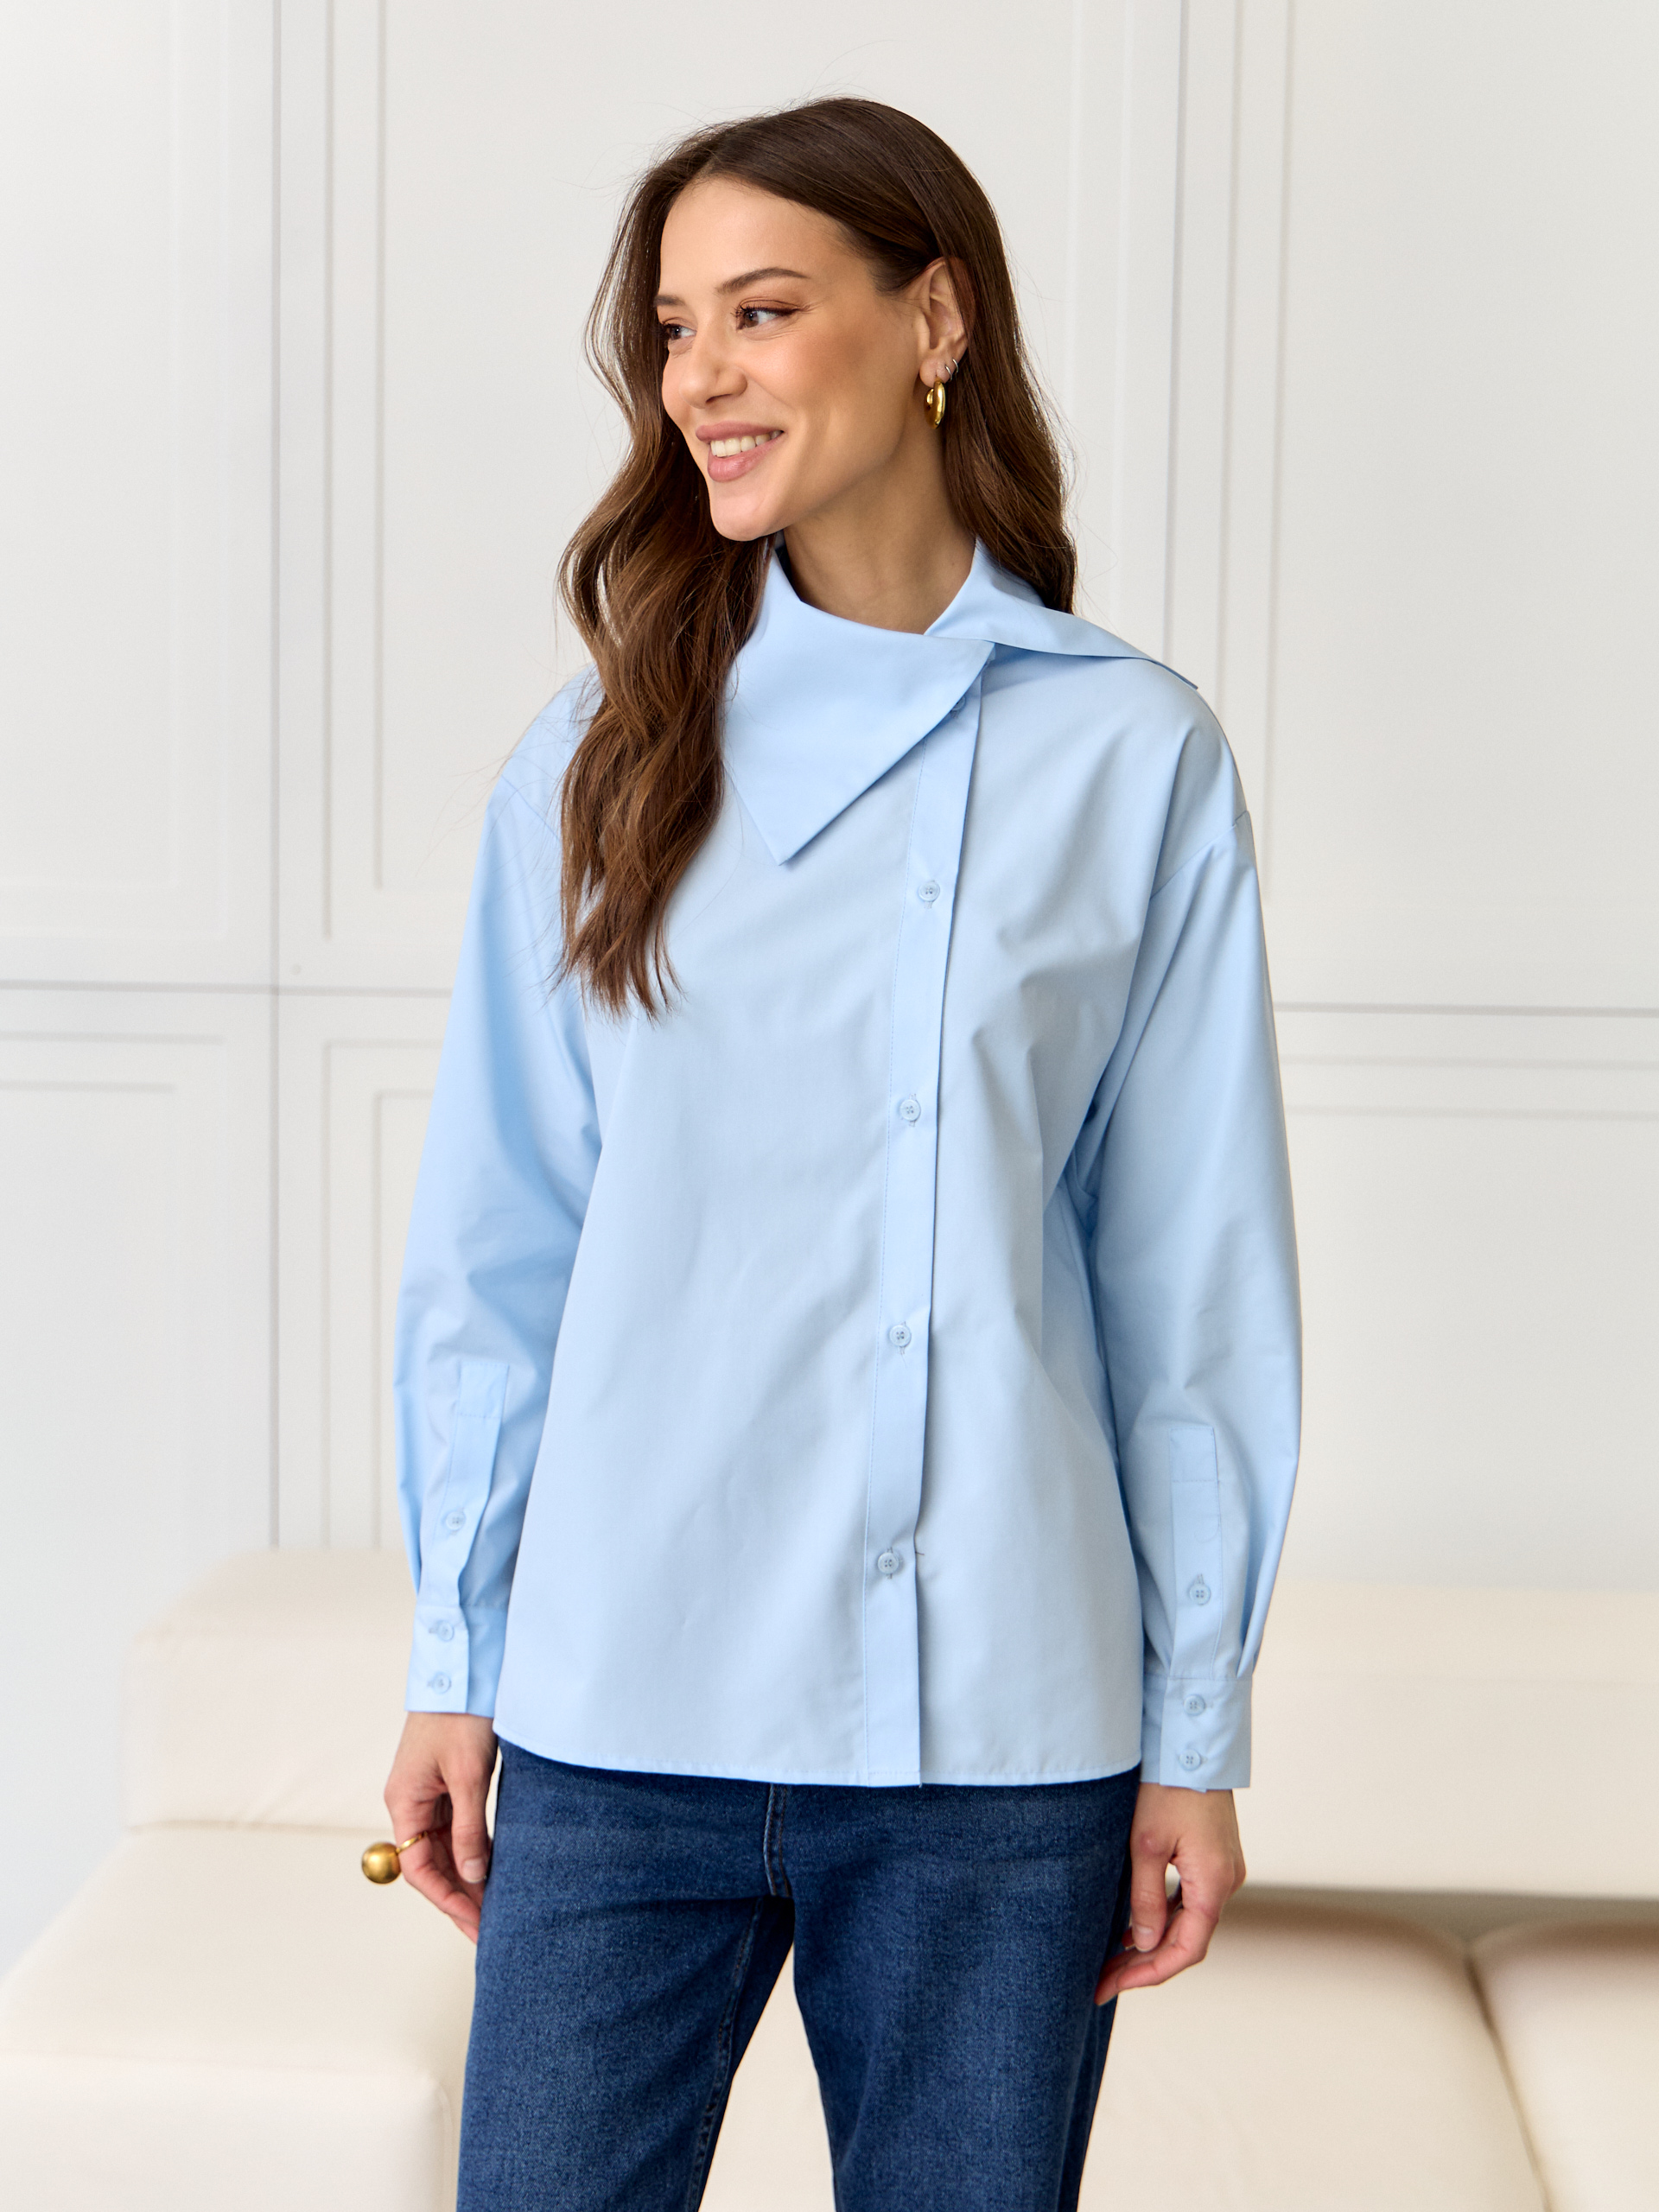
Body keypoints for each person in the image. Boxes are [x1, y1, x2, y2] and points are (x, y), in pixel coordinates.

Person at [384, 95, 1300, 2212]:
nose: (700, 374)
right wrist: (454, 1654)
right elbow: (499, 1246)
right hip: (625, 1706)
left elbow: (1192, 1285)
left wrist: (1196, 1726)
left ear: (936, 321)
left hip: (1001, 1738)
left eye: (764, 310)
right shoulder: (598, 762)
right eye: (674, 328)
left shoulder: (1133, 757)